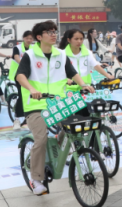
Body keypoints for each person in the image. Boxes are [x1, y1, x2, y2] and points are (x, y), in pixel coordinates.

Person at [15, 21, 93, 196]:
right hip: (36, 105)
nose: (53, 34)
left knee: (76, 127)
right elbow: (20, 75)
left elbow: (72, 72)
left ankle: (58, 144)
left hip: (58, 103)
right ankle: (36, 179)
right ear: (39, 37)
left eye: (54, 31)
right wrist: (32, 89)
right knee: (41, 139)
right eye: (49, 32)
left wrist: (83, 85)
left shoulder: (60, 54)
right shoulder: (30, 55)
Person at [8, 30, 35, 130]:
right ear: (23, 38)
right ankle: (17, 119)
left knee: (30, 95)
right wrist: (24, 65)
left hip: (30, 75)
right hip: (19, 74)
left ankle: (27, 119)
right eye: (27, 38)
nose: (29, 40)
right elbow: (16, 57)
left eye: (31, 38)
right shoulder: (17, 48)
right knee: (22, 95)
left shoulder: (34, 48)